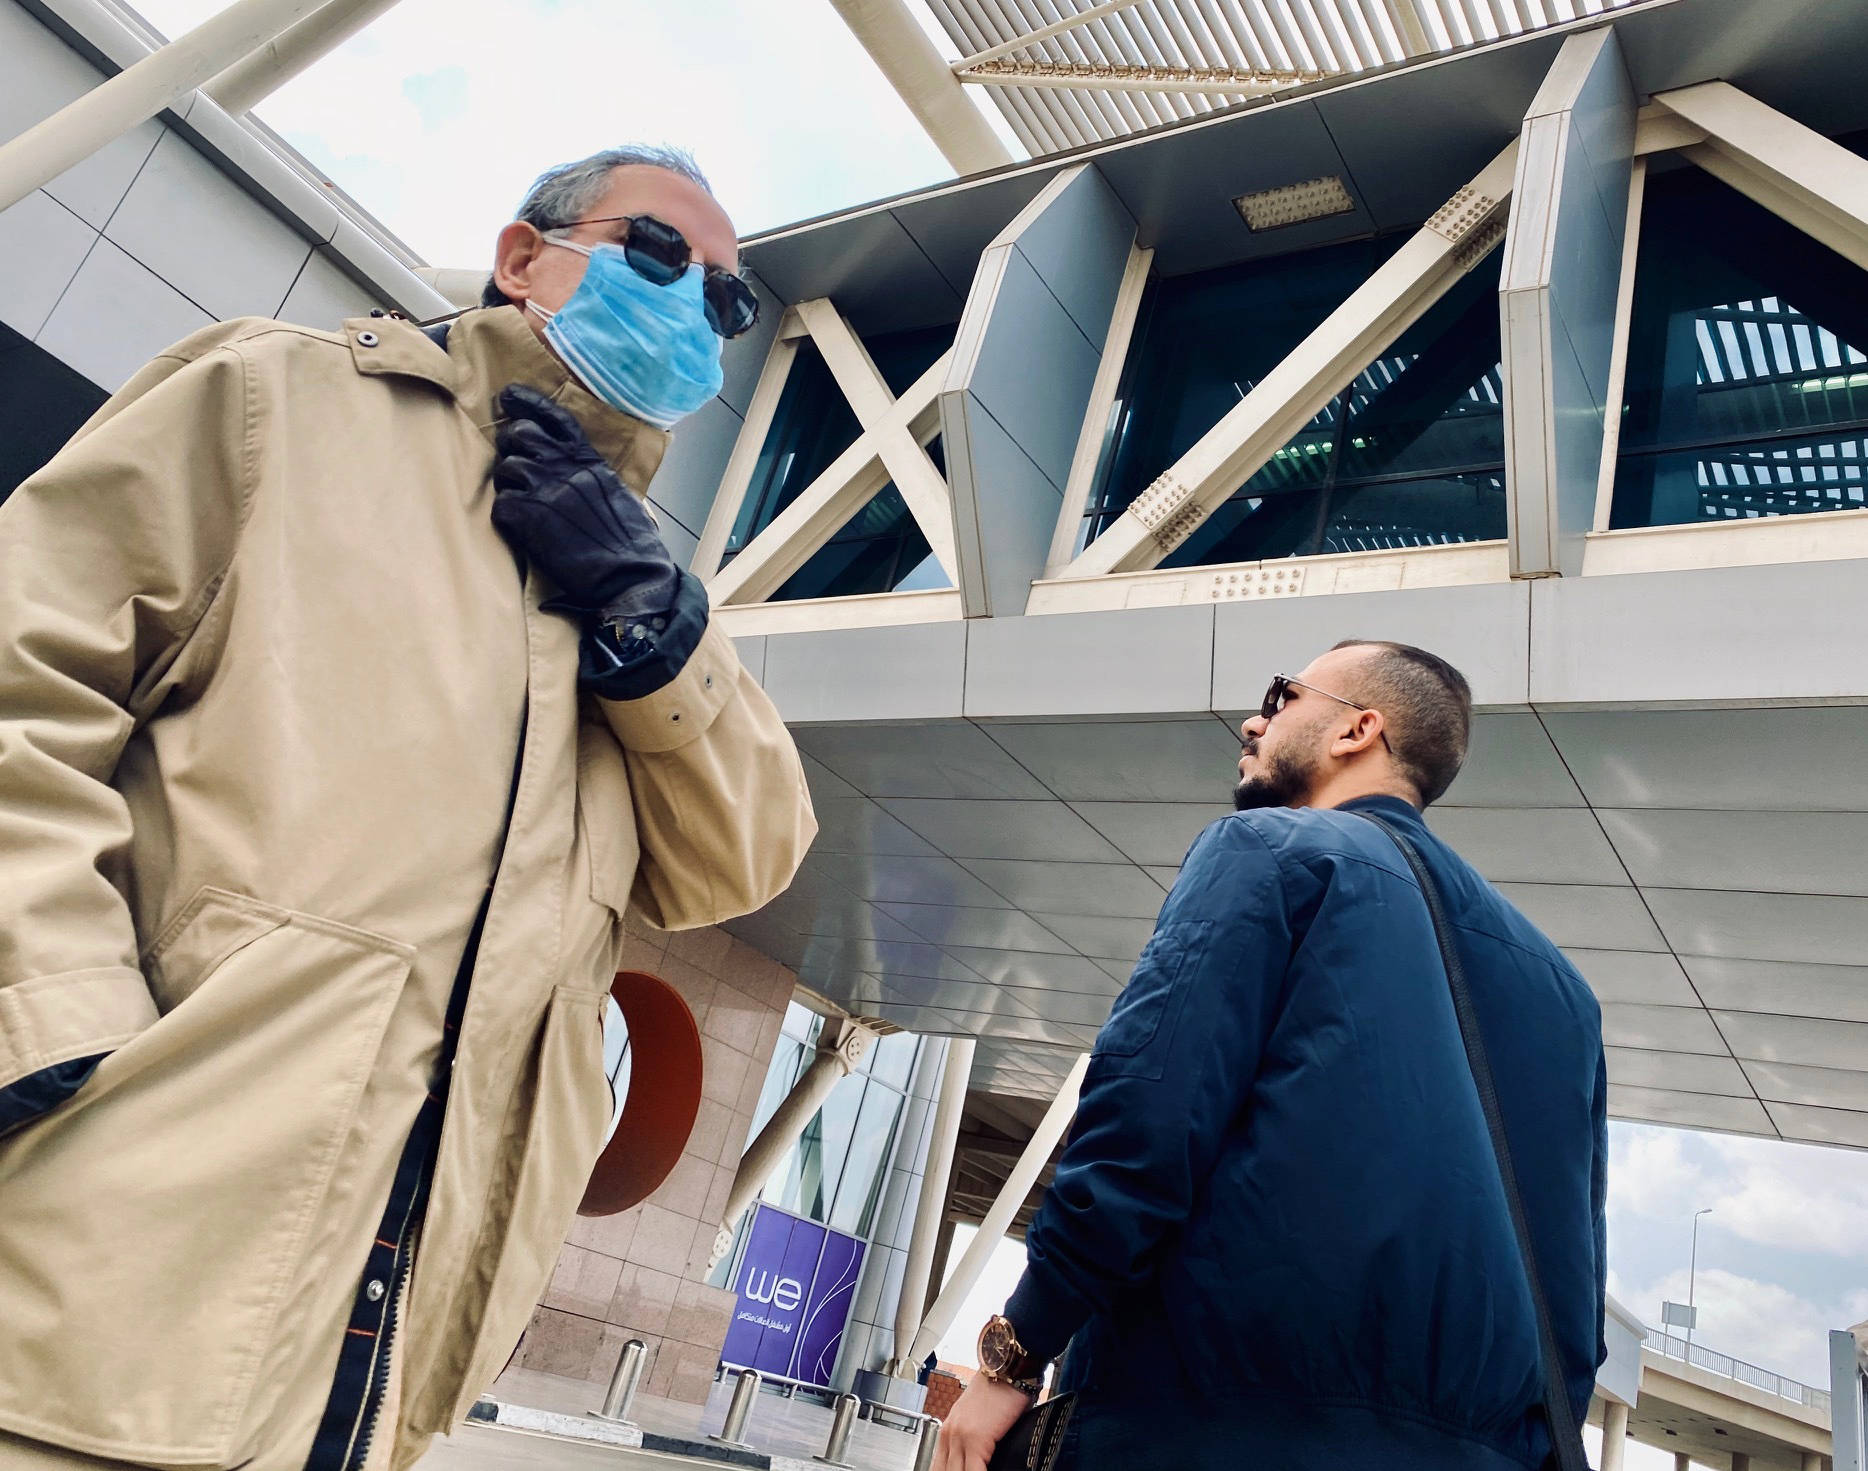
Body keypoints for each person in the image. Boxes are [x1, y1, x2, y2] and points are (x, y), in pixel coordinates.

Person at [0, 146, 816, 1471]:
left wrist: (651, 627)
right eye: (658, 252)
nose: (691, 303)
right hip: (100, 1301)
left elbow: (749, 852)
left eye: (726, 300)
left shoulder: (638, 591)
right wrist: (59, 1032)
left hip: (381, 1376)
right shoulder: (278, 399)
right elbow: (19, 686)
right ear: (520, 257)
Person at [940, 640, 1607, 1471]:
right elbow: (1574, 1286)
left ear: (1358, 729)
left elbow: (1144, 1123)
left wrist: (1018, 1349)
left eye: (1283, 695)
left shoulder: (1271, 851)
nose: (1255, 718)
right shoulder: (1566, 995)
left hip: (1207, 1428)